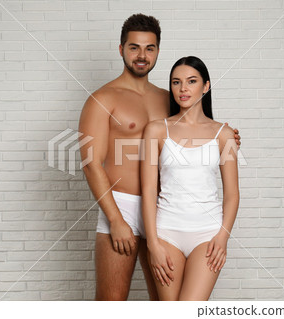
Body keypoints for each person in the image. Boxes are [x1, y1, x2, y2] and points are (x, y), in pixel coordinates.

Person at [78, 14, 241, 301]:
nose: (142, 55)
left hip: (165, 210)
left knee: (164, 303)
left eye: (149, 48)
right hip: (123, 205)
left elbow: (193, 131)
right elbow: (91, 163)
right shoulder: (103, 99)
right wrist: (115, 219)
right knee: (111, 301)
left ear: (157, 51)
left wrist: (228, 137)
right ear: (121, 50)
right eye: (134, 48)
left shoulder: (170, 97)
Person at [141, 56, 240, 301]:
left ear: (206, 86)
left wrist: (223, 236)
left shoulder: (224, 134)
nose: (183, 88)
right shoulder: (155, 130)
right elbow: (148, 190)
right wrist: (153, 244)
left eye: (191, 81)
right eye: (176, 82)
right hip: (166, 234)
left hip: (207, 235)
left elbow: (232, 194)